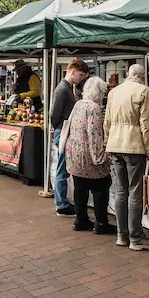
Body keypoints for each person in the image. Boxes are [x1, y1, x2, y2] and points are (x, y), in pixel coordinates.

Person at [104, 64, 149, 251]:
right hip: (134, 147)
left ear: (128, 74)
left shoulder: (114, 92)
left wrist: (107, 143)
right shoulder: (144, 91)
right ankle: (136, 237)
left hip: (115, 144)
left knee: (121, 191)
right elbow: (147, 125)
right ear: (142, 76)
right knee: (135, 191)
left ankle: (122, 235)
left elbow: (107, 122)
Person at [64, 76, 114, 234]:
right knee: (100, 188)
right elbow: (95, 136)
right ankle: (100, 223)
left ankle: (80, 220)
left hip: (75, 155)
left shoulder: (78, 104)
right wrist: (101, 158)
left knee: (80, 189)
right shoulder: (94, 108)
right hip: (89, 157)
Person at [50, 59, 90, 217]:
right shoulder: (63, 89)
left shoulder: (66, 88)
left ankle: (62, 203)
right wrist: (57, 127)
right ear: (72, 71)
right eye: (80, 75)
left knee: (62, 168)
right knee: (62, 168)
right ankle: (61, 205)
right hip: (63, 131)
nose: (80, 78)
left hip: (62, 130)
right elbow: (54, 113)